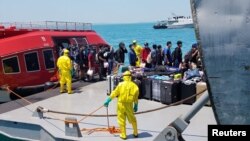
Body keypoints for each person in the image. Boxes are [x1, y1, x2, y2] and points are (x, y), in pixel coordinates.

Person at [104, 71, 139, 140]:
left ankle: (123, 135)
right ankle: (135, 133)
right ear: (130, 77)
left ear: (124, 77)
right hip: (129, 105)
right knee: (133, 119)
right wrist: (136, 105)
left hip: (121, 105)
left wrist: (108, 100)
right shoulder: (135, 86)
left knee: (121, 120)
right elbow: (136, 98)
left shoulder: (120, 85)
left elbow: (114, 93)